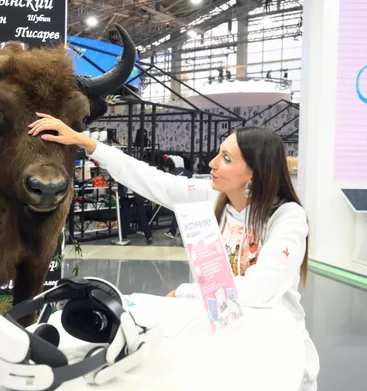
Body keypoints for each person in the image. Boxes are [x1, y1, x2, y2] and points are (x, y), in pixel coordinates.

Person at [28, 113, 319, 391]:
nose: (213, 163)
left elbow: (261, 289)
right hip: (220, 334)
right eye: (219, 153)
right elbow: (152, 180)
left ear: (254, 174)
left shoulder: (287, 216)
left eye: (226, 159)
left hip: (272, 345)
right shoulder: (213, 197)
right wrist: (86, 142)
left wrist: (184, 293)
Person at [162, 157, 192, 239]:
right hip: (187, 195)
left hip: (179, 197)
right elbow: (190, 176)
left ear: (167, 167)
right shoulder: (181, 169)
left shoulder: (170, 176)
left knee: (177, 214)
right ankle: (183, 233)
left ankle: (172, 232)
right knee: (184, 215)